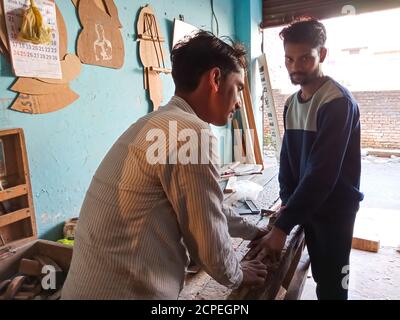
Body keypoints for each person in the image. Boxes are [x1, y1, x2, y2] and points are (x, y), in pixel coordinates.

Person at [61, 31, 267, 300]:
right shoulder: (191, 132)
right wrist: (238, 274)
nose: (239, 102)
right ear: (215, 79)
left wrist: (255, 232)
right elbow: (210, 247)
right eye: (239, 87)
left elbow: (209, 209)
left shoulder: (159, 122)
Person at [247, 18, 363, 300]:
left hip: (334, 211)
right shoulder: (291, 104)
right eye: (288, 59)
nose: (295, 67)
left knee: (333, 283)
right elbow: (287, 160)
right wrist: (288, 203)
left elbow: (322, 173)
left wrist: (283, 226)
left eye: (304, 59)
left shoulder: (337, 102)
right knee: (314, 269)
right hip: (306, 205)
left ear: (321, 54)